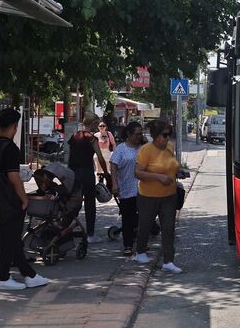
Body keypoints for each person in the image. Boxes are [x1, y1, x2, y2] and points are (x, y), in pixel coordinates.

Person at [0, 108, 48, 291]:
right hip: (9, 201)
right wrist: (24, 199)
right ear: (15, 127)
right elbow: (14, 178)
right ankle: (1, 277)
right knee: (9, 240)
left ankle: (29, 275)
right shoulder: (11, 149)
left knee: (12, 237)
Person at [135, 118, 182, 274]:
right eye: (165, 135)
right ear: (155, 136)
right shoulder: (145, 150)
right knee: (146, 225)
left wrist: (178, 172)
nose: (168, 138)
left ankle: (168, 261)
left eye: (170, 134)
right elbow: (138, 173)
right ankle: (140, 251)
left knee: (169, 228)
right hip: (148, 196)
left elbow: (172, 166)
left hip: (169, 195)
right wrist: (159, 177)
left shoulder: (170, 147)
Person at [65, 112, 110, 239]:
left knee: (73, 202)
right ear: (94, 123)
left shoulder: (74, 136)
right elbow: (100, 158)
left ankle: (62, 228)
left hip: (73, 172)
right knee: (90, 202)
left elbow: (69, 156)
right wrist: (106, 172)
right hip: (86, 172)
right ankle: (90, 233)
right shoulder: (92, 138)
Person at [108, 121, 145, 257]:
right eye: (137, 134)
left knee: (142, 218)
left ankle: (141, 243)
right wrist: (114, 184)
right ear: (129, 134)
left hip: (143, 189)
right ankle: (128, 245)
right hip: (126, 188)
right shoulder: (121, 149)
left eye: (141, 134)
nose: (139, 137)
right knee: (128, 218)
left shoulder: (143, 148)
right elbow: (113, 165)